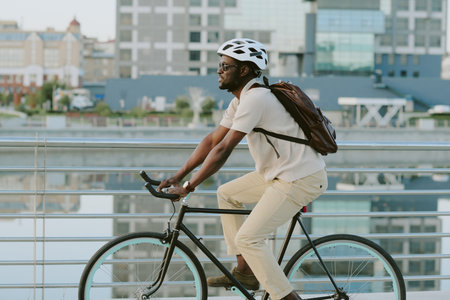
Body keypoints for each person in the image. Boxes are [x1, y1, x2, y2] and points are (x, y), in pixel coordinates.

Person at [158, 38, 328, 300]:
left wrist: (189, 187)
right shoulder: (241, 100)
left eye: (225, 65)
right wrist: (178, 175)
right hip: (279, 174)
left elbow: (223, 150)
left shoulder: (256, 99)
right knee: (227, 194)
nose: (219, 70)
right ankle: (245, 271)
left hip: (300, 177)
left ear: (245, 70)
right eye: (220, 65)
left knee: (249, 238)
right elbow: (212, 141)